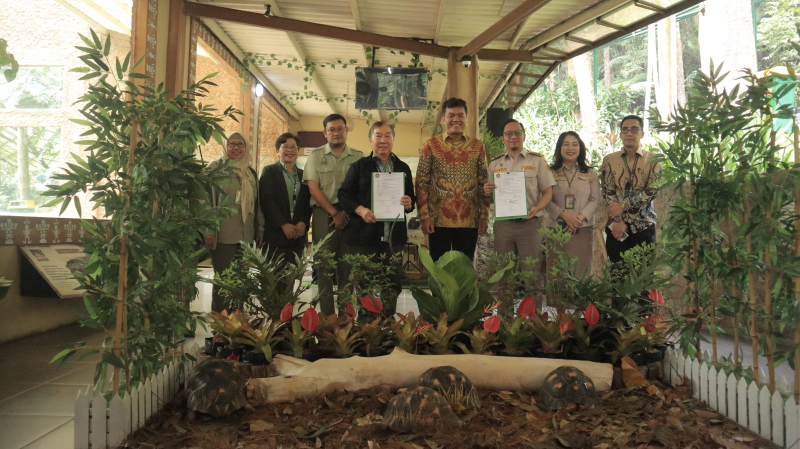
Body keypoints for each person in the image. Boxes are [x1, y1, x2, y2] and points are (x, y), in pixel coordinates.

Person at [338, 121, 415, 316]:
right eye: (378, 136)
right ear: (370, 140)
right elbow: (344, 195)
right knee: (365, 286)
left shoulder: (403, 167)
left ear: (393, 140)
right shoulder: (359, 167)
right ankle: (367, 329)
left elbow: (411, 198)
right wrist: (361, 210)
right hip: (365, 238)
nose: (383, 140)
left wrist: (409, 202)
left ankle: (388, 325)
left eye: (388, 136)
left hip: (393, 238)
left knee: (391, 284)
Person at [303, 114, 365, 314]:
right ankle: (328, 319)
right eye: (332, 129)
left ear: (346, 130)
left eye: (340, 129)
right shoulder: (315, 155)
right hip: (323, 214)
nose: (336, 133)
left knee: (348, 268)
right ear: (325, 132)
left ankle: (346, 318)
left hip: (351, 216)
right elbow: (313, 188)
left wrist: (345, 212)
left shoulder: (359, 157)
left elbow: (362, 190)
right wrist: (334, 213)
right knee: (324, 267)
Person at [416, 97, 489, 261]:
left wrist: (484, 215)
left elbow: (483, 182)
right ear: (443, 119)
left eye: (460, 115)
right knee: (439, 269)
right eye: (451, 115)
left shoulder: (477, 146)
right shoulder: (431, 146)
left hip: (469, 220)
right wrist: (424, 216)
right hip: (437, 221)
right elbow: (421, 182)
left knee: (464, 269)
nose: (456, 119)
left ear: (466, 118)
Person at [484, 119, 556, 275]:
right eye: (508, 133)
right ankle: (505, 301)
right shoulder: (494, 165)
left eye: (517, 132)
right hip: (503, 225)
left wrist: (537, 208)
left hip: (530, 225)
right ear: (503, 139)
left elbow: (548, 192)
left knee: (532, 273)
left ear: (524, 136)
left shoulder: (537, 161)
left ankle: (533, 301)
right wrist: (487, 192)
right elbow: (489, 199)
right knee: (502, 275)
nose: (513, 136)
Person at [204, 131, 260, 313]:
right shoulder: (215, 169)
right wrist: (208, 231)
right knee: (223, 279)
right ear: (225, 147)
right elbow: (204, 201)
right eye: (232, 144)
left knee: (241, 278)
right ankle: (220, 324)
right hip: (223, 234)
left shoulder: (250, 173)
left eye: (240, 144)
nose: (236, 148)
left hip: (246, 234)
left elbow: (258, 205)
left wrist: (259, 230)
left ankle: (238, 321)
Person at [600, 115, 662, 263]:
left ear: (642, 133)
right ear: (620, 134)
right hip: (616, 228)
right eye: (625, 129)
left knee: (644, 278)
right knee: (618, 276)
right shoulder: (609, 160)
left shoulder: (654, 159)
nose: (629, 133)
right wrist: (617, 219)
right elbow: (608, 192)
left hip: (644, 226)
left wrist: (622, 207)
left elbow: (652, 191)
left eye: (634, 129)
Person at [545, 131, 601, 277]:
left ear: (580, 148)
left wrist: (578, 219)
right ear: (559, 148)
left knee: (581, 272)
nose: (571, 148)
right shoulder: (549, 172)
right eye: (566, 144)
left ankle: (581, 301)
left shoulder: (590, 173)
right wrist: (565, 216)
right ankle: (557, 301)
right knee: (556, 274)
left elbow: (595, 200)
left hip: (582, 229)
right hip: (556, 229)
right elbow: (546, 199)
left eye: (575, 144)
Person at [258, 132, 311, 265]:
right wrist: (283, 224)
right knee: (273, 280)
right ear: (277, 151)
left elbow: (307, 202)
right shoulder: (269, 171)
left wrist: (303, 222)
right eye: (285, 146)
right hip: (275, 235)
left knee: (291, 280)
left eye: (293, 147)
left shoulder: (303, 175)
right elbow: (267, 201)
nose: (290, 150)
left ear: (298, 150)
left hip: (298, 236)